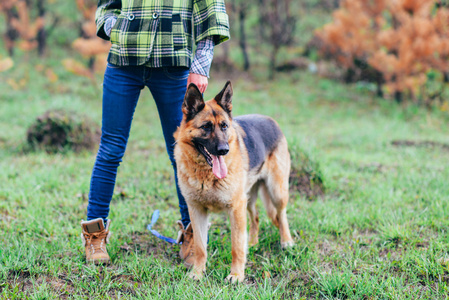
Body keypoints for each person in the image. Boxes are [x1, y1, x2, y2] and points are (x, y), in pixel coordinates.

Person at [80, 0, 230, 265]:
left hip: (173, 65)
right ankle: (95, 237)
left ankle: (192, 233)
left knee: (184, 152)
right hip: (124, 62)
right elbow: (106, 7)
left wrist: (200, 65)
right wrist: (119, 28)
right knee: (110, 149)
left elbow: (213, 11)